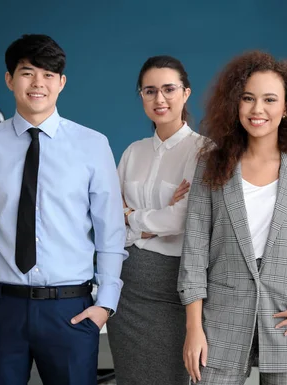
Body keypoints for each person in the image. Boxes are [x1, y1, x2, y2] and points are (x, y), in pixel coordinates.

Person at [0, 34, 127, 385]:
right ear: (9, 79)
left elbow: (110, 230)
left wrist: (105, 303)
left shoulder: (93, 145)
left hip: (70, 310)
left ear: (61, 82)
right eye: (27, 72)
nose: (37, 84)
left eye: (48, 74)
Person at [178, 51, 287, 385]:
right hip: (220, 319)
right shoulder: (211, 167)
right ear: (235, 103)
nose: (257, 109)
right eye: (248, 98)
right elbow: (194, 253)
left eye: (269, 99)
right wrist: (193, 329)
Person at [107, 55, 204, 385]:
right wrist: (151, 221)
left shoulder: (203, 151)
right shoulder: (133, 152)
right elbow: (108, 216)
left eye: (168, 89)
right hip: (126, 286)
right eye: (149, 91)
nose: (159, 99)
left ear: (186, 93)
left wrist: (131, 215)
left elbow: (184, 220)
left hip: (172, 289)